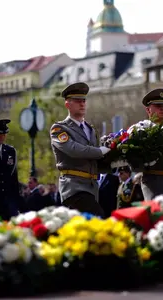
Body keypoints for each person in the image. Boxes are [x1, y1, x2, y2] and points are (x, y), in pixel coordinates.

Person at [50, 82, 111, 217]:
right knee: (98, 219)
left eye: (83, 101)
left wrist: (117, 155)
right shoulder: (59, 129)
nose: (82, 104)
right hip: (74, 188)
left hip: (92, 189)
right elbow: (74, 149)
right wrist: (100, 151)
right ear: (67, 104)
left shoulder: (91, 129)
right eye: (77, 101)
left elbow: (96, 160)